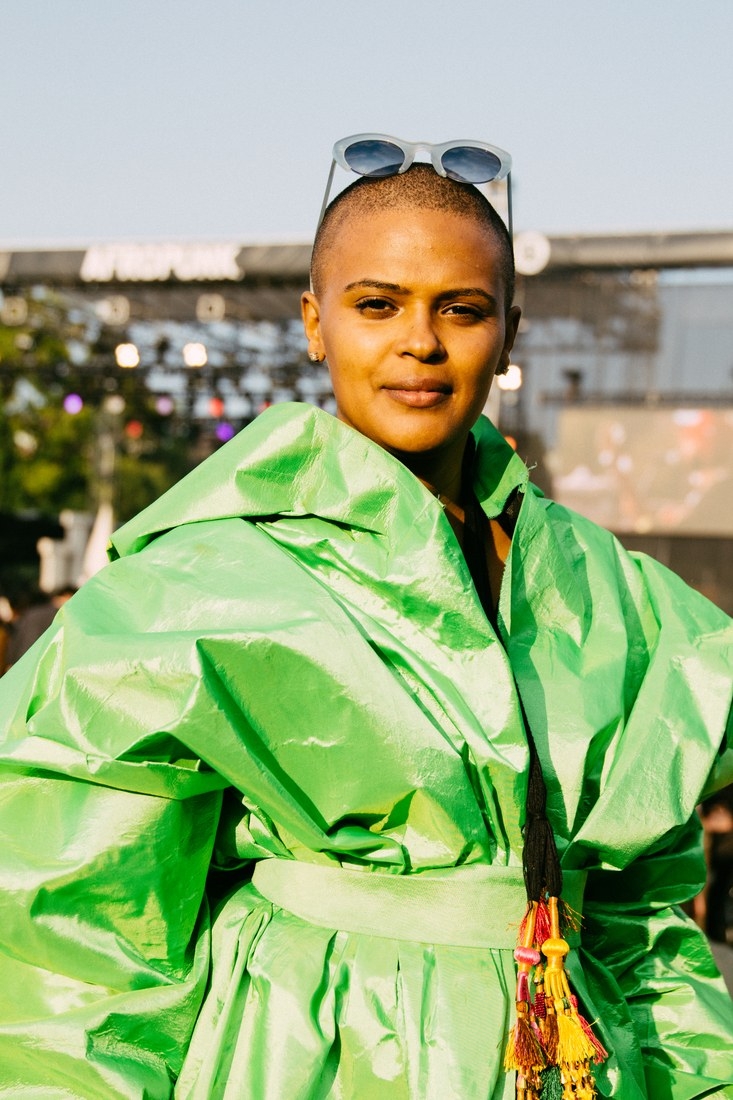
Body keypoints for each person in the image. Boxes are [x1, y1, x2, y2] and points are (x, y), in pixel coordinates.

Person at [0, 137, 731, 1100]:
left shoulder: (612, 596)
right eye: (375, 304)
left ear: (507, 333)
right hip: (302, 1065)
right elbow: (75, 942)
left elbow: (644, 922)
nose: (418, 342)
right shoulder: (191, 589)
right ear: (314, 322)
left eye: (460, 310)